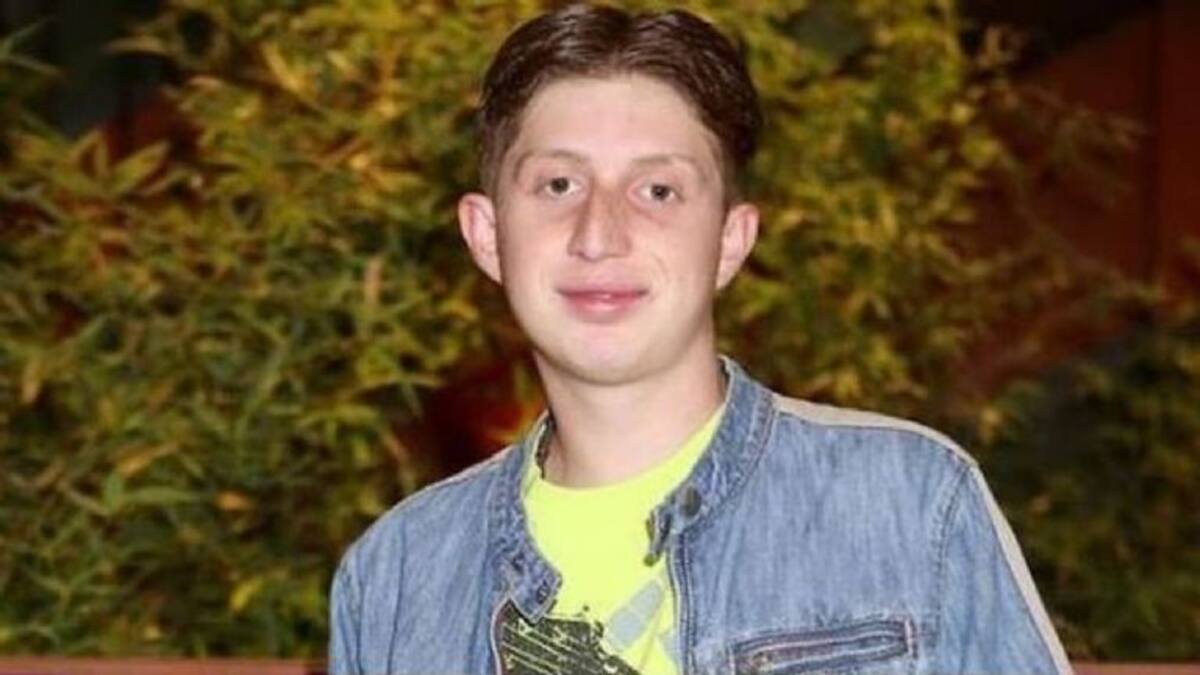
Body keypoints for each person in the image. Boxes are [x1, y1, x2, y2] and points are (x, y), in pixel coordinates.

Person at [329, 4, 1072, 674]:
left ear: (729, 241)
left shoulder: (906, 503)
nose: (599, 234)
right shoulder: (397, 576)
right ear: (487, 235)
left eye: (658, 191)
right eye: (559, 185)